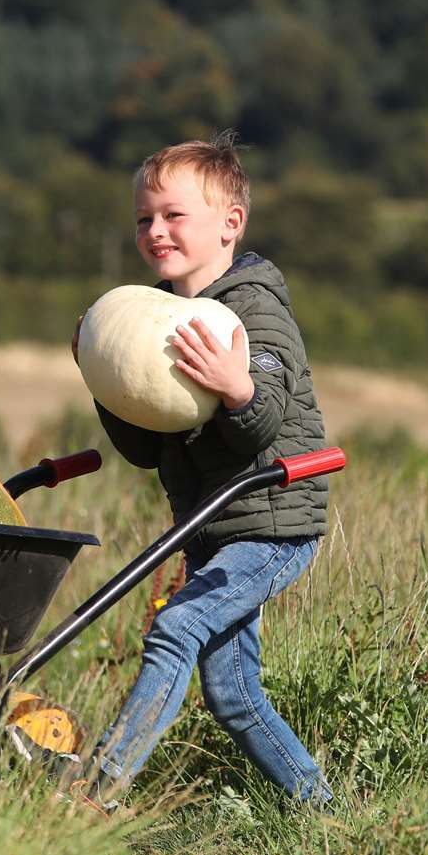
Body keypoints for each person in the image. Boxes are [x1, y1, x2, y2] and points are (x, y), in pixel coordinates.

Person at [67, 130, 331, 812]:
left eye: (172, 215)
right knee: (233, 693)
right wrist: (103, 381)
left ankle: (94, 796)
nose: (155, 230)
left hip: (271, 522)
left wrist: (236, 386)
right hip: (213, 528)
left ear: (229, 224)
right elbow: (146, 448)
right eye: (143, 219)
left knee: (175, 627)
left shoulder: (252, 308)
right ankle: (323, 812)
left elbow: (262, 421)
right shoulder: (153, 319)